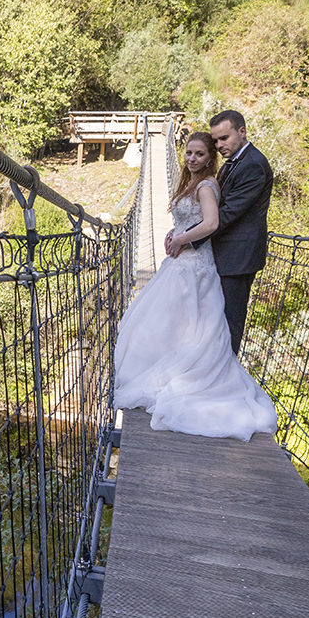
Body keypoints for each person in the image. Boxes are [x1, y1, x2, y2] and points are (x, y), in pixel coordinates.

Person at [115, 132, 277, 441]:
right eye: (189, 152)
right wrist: (175, 233)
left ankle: (180, 378)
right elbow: (190, 221)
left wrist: (180, 238)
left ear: (209, 158)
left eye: (199, 154)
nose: (192, 158)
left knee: (184, 321)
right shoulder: (191, 182)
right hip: (182, 260)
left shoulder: (205, 185)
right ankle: (165, 370)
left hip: (194, 263)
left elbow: (211, 223)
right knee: (170, 321)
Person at [166, 109, 274, 354]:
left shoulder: (253, 165)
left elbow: (226, 214)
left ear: (242, 131)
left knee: (229, 323)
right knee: (212, 321)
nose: (219, 145)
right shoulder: (231, 164)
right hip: (221, 252)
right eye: (215, 140)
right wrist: (180, 230)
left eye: (224, 138)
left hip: (237, 257)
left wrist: (185, 237)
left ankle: (226, 374)